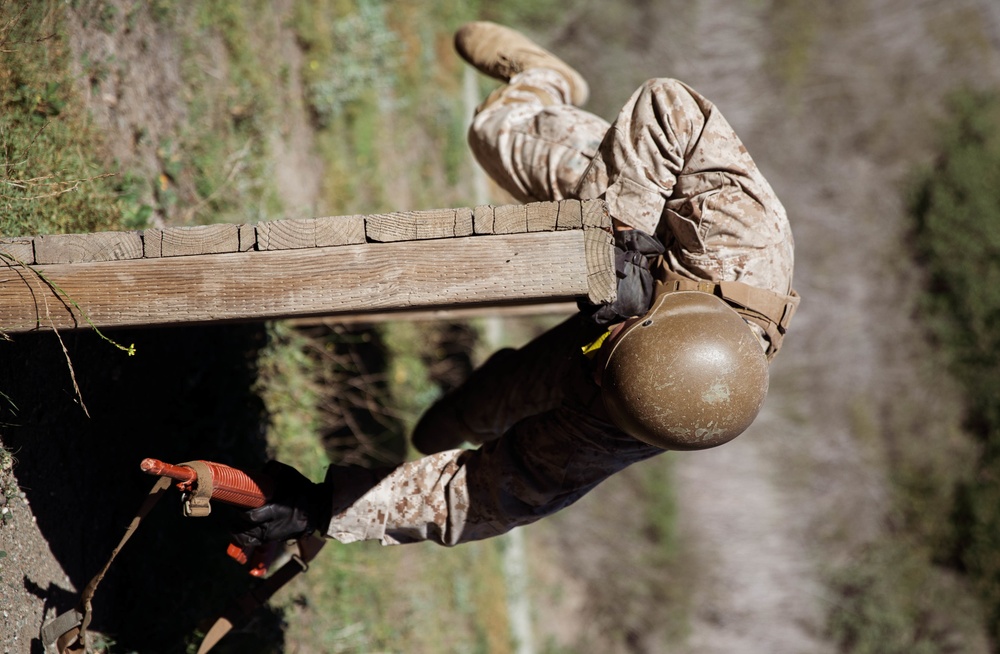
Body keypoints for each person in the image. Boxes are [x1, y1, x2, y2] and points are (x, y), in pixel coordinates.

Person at [231, 22, 799, 552]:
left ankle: (479, 397)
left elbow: (487, 494)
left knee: (443, 430)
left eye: (606, 367)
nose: (600, 357)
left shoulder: (636, 416)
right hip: (646, 211)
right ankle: (544, 80)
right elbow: (670, 107)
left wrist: (323, 509)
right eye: (610, 354)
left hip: (629, 358)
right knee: (494, 133)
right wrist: (617, 238)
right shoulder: (742, 239)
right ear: (660, 317)